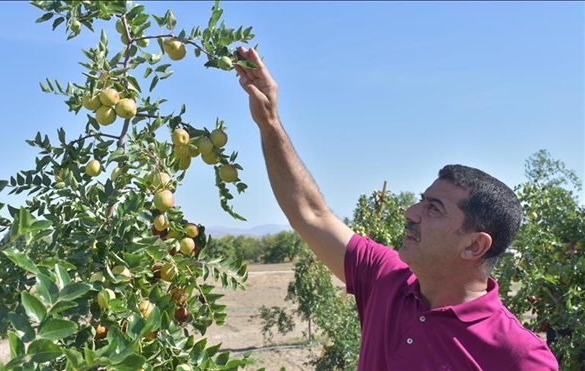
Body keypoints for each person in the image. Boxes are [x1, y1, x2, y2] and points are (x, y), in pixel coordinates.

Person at [234, 46, 559, 371]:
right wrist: (269, 122)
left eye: (434, 209)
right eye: (421, 199)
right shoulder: (386, 279)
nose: (410, 212)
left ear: (474, 245)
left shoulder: (519, 357)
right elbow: (310, 213)